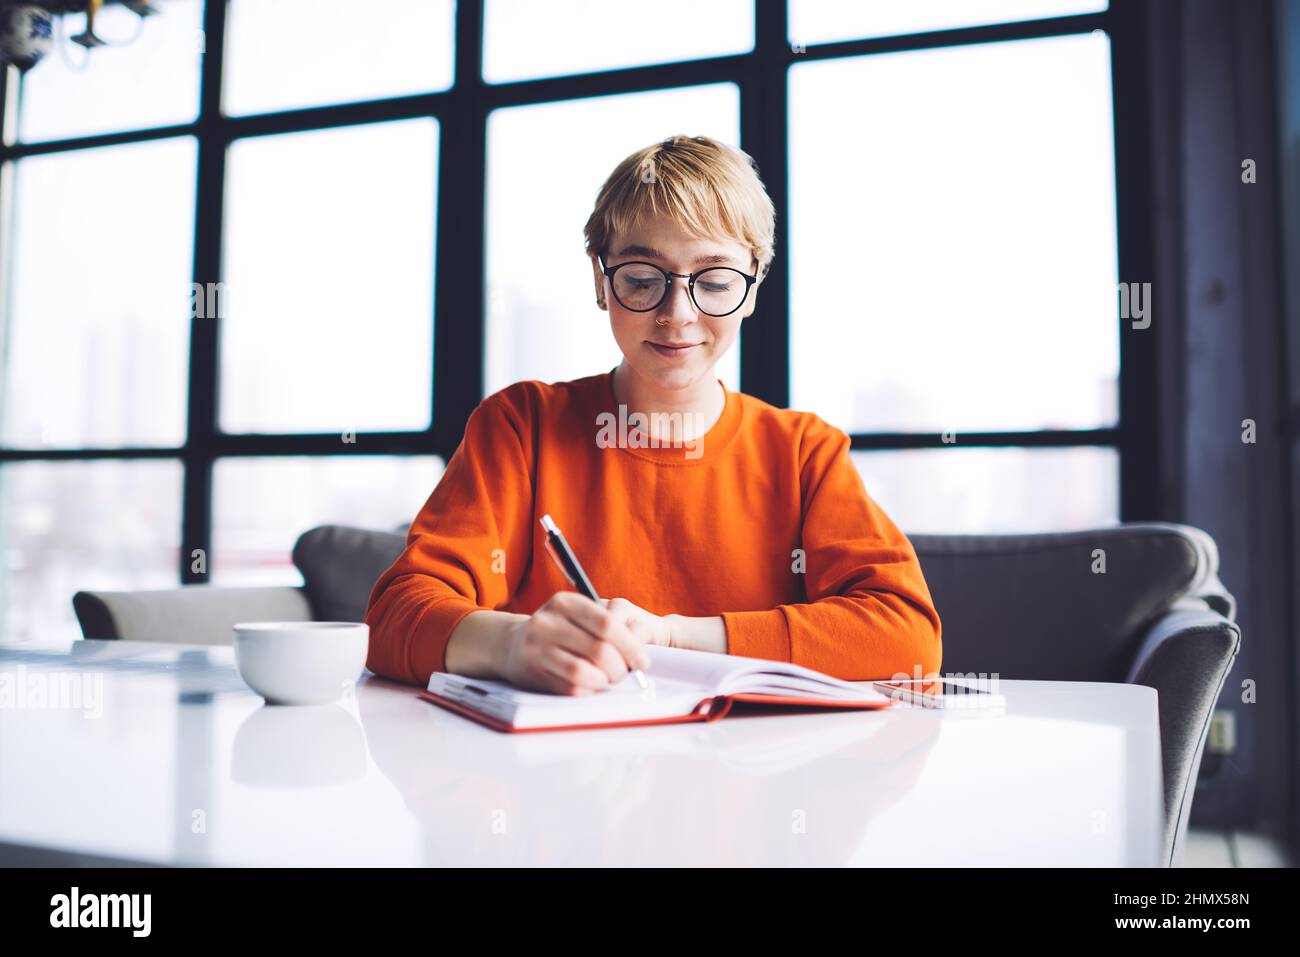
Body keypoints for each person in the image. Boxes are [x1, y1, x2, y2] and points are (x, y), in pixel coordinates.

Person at [364, 134, 941, 694]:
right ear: (600, 277)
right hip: (551, 775)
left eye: (715, 282)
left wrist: (672, 635)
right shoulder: (521, 427)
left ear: (756, 285)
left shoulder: (802, 452)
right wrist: (509, 645)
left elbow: (907, 637)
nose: (678, 313)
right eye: (642, 280)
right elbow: (395, 618)